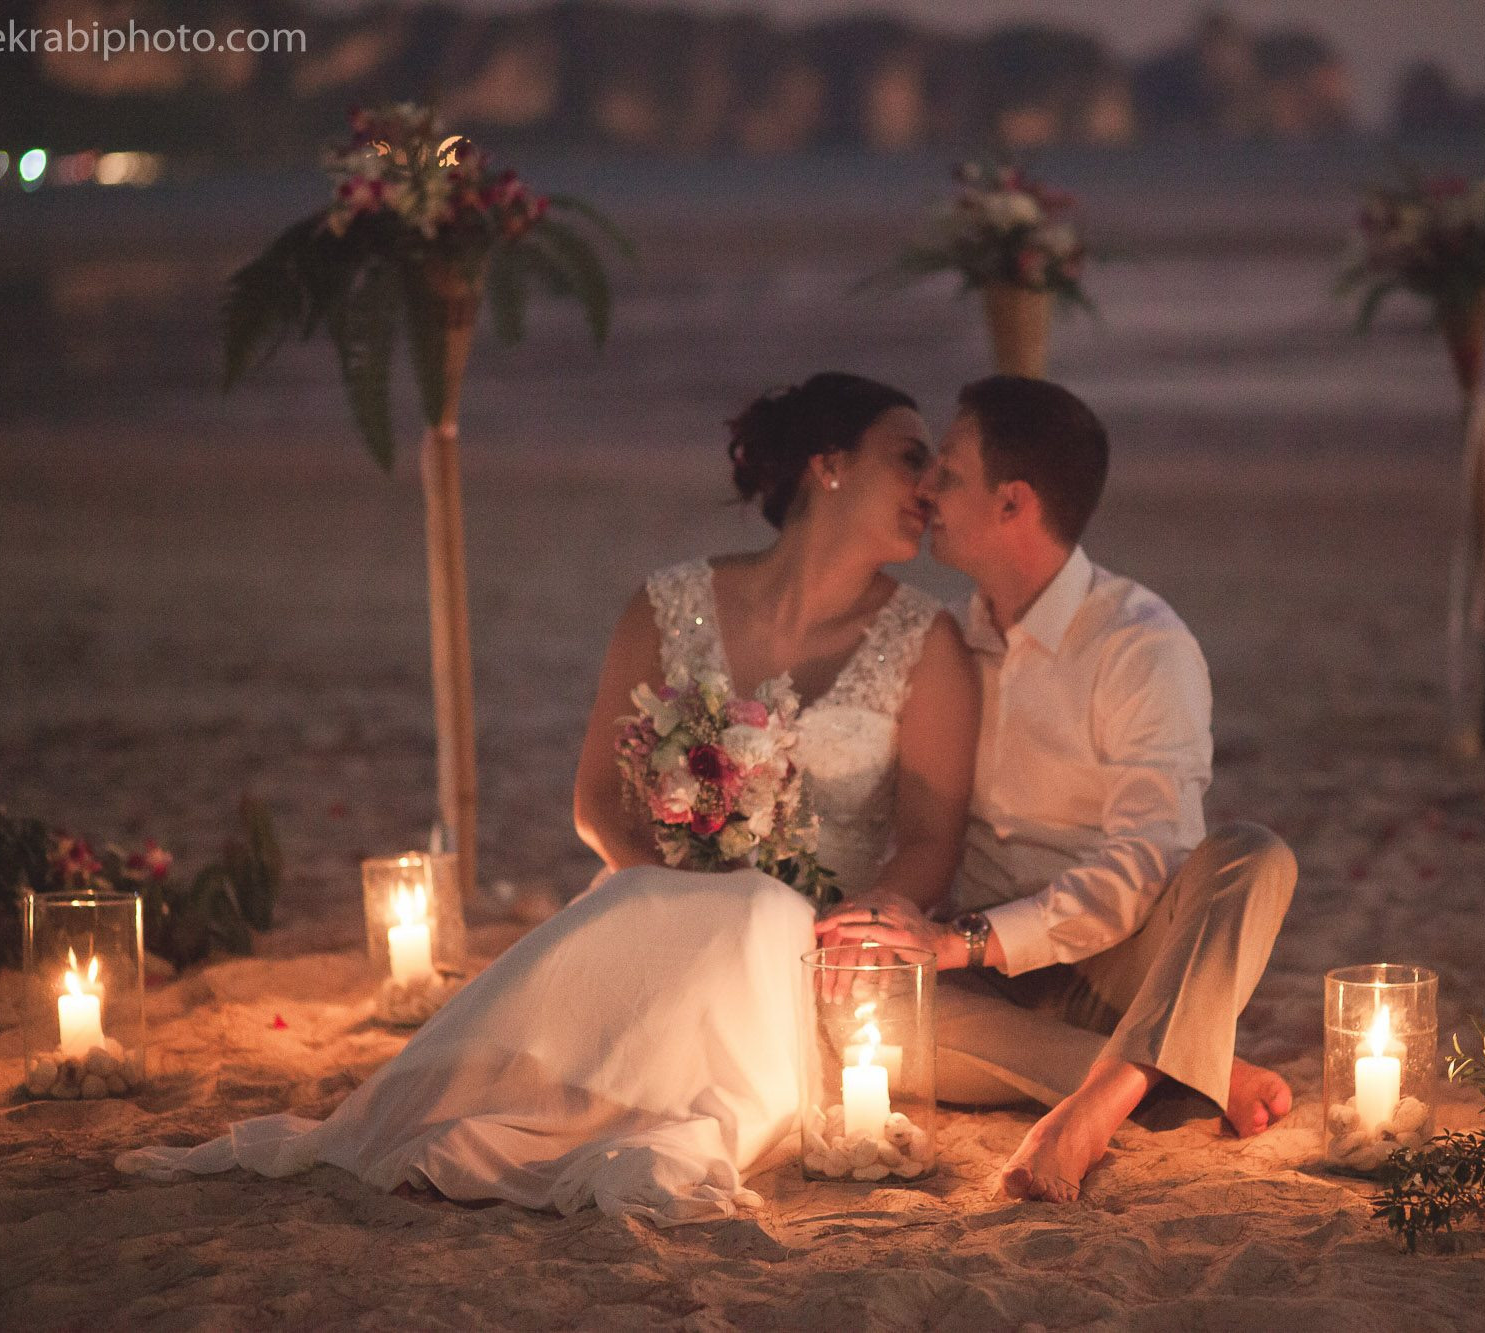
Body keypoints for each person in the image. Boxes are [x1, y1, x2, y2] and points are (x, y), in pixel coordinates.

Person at [117, 372, 979, 1225]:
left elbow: (932, 838)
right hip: (656, 897)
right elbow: (597, 802)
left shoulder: (925, 640)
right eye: (911, 458)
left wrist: (863, 925)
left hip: (810, 935)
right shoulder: (667, 603)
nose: (931, 485)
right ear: (828, 465)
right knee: (641, 917)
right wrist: (673, 889)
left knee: (755, 910)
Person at [817, 375, 1297, 1204]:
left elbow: (1149, 861)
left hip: (1128, 962)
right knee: (858, 1008)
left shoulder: (1139, 645)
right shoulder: (946, 640)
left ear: (1014, 504)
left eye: (951, 473)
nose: (927, 487)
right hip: (998, 981)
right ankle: (1184, 1069)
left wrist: (966, 939)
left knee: (1254, 855)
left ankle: (1091, 1108)